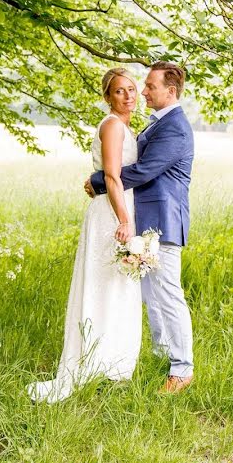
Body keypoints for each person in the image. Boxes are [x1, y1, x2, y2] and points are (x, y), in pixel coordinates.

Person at [27, 68, 142, 403]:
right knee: (104, 283)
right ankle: (95, 362)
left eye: (132, 89)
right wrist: (124, 219)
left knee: (116, 285)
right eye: (119, 91)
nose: (128, 96)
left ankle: (111, 362)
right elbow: (111, 175)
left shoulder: (125, 127)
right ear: (108, 97)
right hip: (111, 212)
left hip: (119, 208)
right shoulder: (112, 125)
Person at [85, 61, 195, 394]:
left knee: (168, 293)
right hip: (146, 222)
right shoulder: (156, 123)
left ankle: (182, 368)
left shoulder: (174, 127)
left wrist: (99, 181)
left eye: (149, 86)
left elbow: (144, 170)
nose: (143, 91)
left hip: (163, 221)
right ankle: (163, 355)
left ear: (170, 91)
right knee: (150, 294)